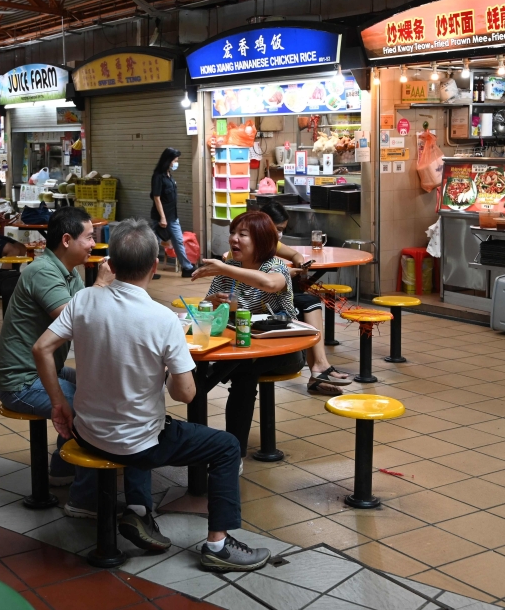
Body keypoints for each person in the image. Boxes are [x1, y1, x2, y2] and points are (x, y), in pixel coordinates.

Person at [33, 219, 271, 572]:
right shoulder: (163, 320)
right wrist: (166, 372)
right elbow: (186, 395)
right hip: (136, 440)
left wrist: (59, 404)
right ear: (155, 265)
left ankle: (140, 511)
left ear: (110, 264)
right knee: (224, 447)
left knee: (144, 422)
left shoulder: (84, 300)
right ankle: (218, 545)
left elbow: (42, 348)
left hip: (87, 432)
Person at [0, 207, 112, 517]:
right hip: (21, 382)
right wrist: (100, 285)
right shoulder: (43, 271)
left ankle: (62, 470)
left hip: (45, 371)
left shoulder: (68, 271)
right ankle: (84, 500)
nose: (93, 245)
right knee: (90, 404)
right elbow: (75, 321)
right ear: (66, 240)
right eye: (89, 238)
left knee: (93, 387)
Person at [193, 211, 304, 459]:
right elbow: (207, 313)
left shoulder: (276, 267)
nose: (234, 239)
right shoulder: (228, 268)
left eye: (243, 234)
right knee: (242, 369)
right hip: (242, 349)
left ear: (262, 240)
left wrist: (226, 269)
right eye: (233, 232)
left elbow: (269, 284)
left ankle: (234, 455)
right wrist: (214, 302)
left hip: (285, 351)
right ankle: (232, 452)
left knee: (244, 372)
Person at [261, 202, 352, 394]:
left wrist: (299, 262)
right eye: (277, 229)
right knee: (308, 303)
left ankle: (319, 369)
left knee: (309, 302)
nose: (279, 234)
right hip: (257, 300)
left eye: (281, 230)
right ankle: (319, 368)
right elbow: (261, 278)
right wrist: (286, 272)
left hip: (272, 295)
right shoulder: (252, 242)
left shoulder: (269, 242)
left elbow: (293, 254)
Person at [150, 148, 194, 278]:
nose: (176, 163)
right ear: (168, 160)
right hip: (160, 218)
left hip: (172, 216)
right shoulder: (158, 176)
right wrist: (162, 218)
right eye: (175, 160)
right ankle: (148, 270)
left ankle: (187, 268)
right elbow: (156, 198)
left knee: (178, 241)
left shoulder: (169, 175)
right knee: (153, 245)